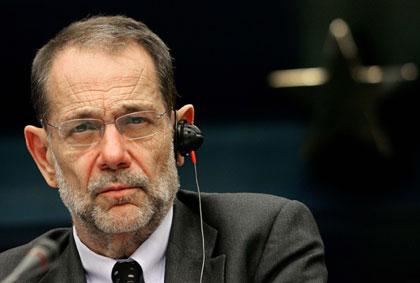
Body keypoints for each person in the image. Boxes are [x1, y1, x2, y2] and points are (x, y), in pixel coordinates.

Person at [0, 15, 327, 282]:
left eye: (136, 121)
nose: (114, 156)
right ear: (44, 156)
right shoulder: (13, 276)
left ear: (179, 136)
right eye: (83, 128)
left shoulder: (266, 240)